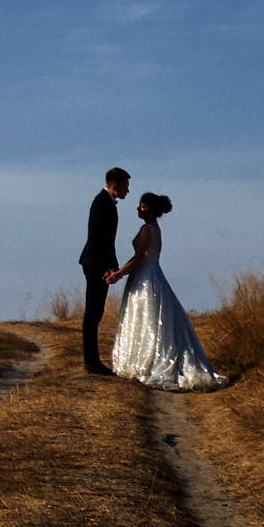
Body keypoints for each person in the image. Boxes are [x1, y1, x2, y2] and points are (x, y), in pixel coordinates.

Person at [105, 193, 227, 390]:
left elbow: (138, 258)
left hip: (146, 275)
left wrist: (119, 274)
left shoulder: (147, 229)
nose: (138, 209)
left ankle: (148, 361)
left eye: (142, 206)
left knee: (148, 319)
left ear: (151, 210)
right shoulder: (155, 228)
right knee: (153, 320)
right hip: (152, 273)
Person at [76, 167, 129, 374]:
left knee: (96, 311)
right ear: (114, 186)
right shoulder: (102, 203)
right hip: (96, 262)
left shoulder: (105, 203)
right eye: (125, 187)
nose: (128, 191)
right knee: (93, 312)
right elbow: (101, 239)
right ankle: (91, 361)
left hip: (98, 261)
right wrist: (108, 266)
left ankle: (93, 360)